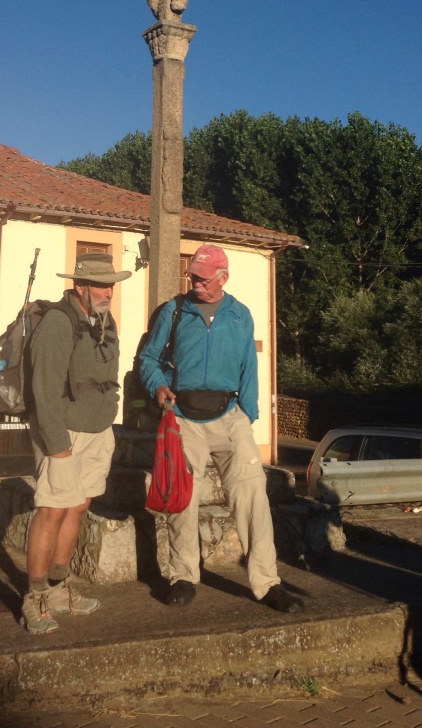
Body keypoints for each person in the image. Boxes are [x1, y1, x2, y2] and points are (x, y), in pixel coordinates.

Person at [139, 245, 301, 613]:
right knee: (182, 499)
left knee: (253, 497)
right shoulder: (174, 311)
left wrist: (248, 415)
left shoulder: (240, 315)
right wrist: (157, 386)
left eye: (203, 278)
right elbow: (148, 357)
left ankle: (267, 583)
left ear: (223, 277)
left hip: (230, 416)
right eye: (193, 276)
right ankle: (183, 577)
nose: (195, 283)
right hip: (183, 417)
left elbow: (249, 366)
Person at [21, 251, 131, 635]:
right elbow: (44, 390)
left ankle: (58, 587)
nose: (109, 292)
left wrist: (109, 416)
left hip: (98, 431)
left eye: (112, 284)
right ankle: (33, 598)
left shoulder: (104, 320)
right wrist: (57, 444)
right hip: (63, 434)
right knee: (51, 510)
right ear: (80, 285)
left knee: (78, 508)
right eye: (102, 284)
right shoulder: (56, 322)